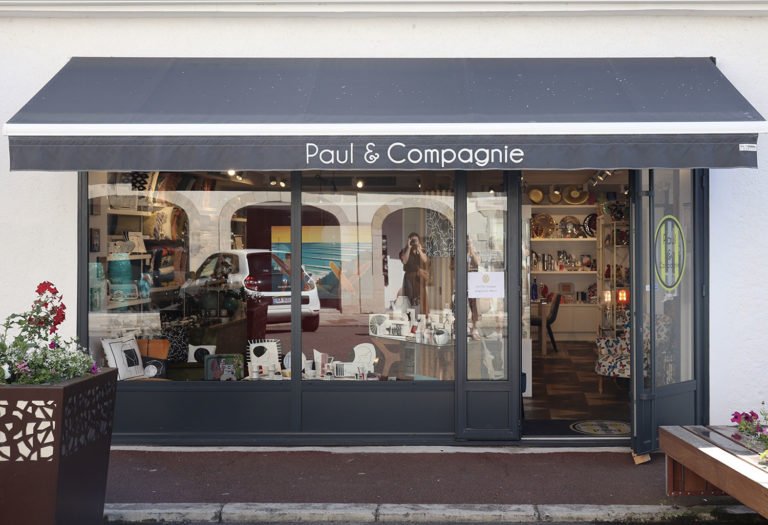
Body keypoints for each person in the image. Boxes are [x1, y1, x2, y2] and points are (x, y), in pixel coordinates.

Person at [401, 232, 430, 315]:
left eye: (415, 240)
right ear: (409, 241)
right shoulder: (405, 250)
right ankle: (409, 316)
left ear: (419, 241)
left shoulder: (421, 250)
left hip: (419, 277)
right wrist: (409, 247)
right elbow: (404, 261)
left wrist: (419, 250)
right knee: (409, 296)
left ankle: (420, 315)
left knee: (420, 296)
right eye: (412, 240)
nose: (414, 242)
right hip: (409, 277)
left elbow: (425, 260)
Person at [467, 236, 482, 340]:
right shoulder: (461, 252)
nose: (469, 244)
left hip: (473, 281)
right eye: (468, 243)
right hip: (463, 280)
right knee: (462, 305)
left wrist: (471, 250)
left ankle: (474, 330)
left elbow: (478, 263)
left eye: (470, 242)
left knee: (474, 306)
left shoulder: (474, 252)